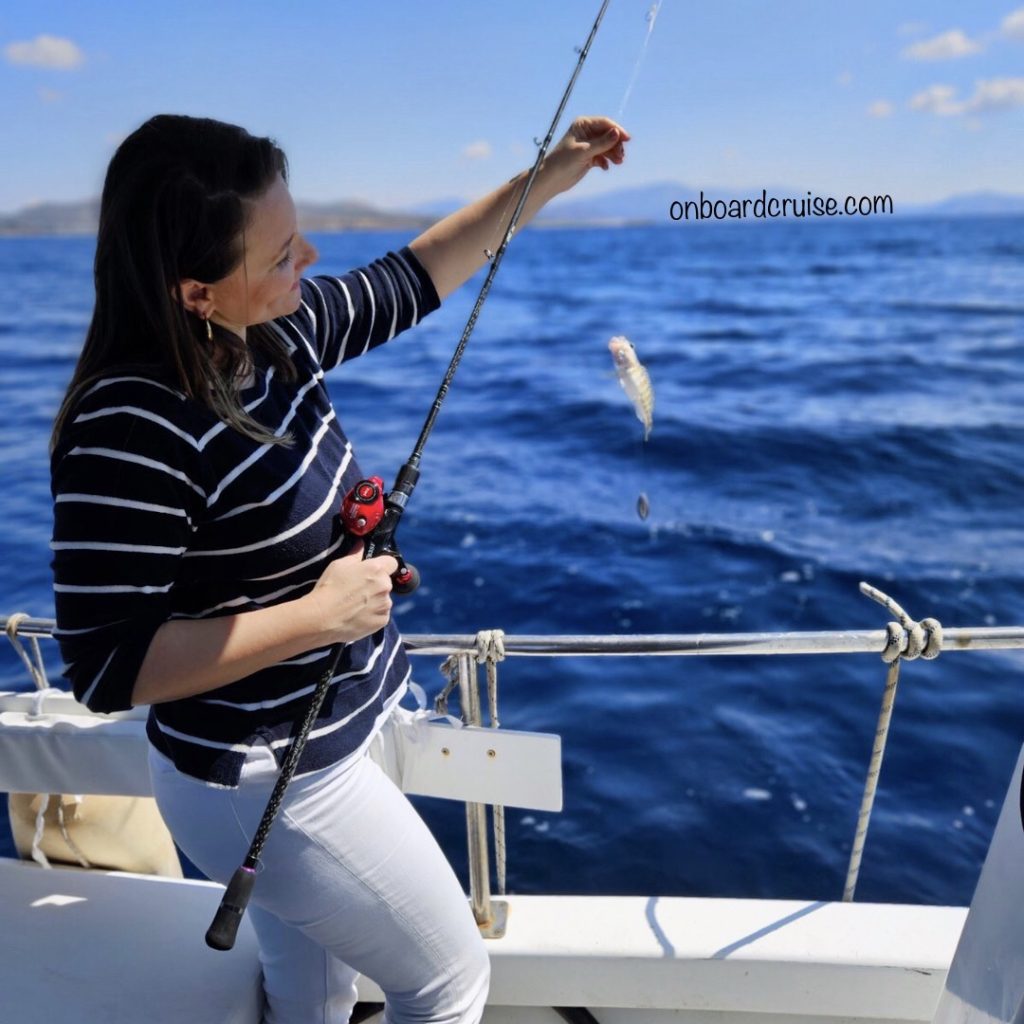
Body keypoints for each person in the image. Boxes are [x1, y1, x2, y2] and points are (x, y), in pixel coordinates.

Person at [49, 112, 628, 1024]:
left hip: (322, 743)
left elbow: (415, 274)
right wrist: (321, 614)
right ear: (197, 292)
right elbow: (105, 667)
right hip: (258, 779)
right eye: (281, 253)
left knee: (312, 996)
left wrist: (550, 175)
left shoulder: (274, 335)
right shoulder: (130, 427)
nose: (309, 258)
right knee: (448, 982)